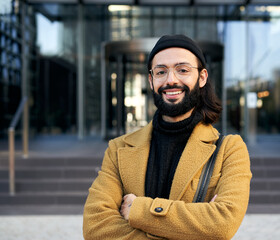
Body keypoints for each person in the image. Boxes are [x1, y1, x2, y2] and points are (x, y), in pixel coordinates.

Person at [83, 34, 252, 240]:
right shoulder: (118, 149)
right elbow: (95, 227)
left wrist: (138, 210)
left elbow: (223, 224)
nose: (171, 80)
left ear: (202, 77)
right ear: (151, 80)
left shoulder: (229, 149)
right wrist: (190, 227)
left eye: (182, 70)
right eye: (161, 72)